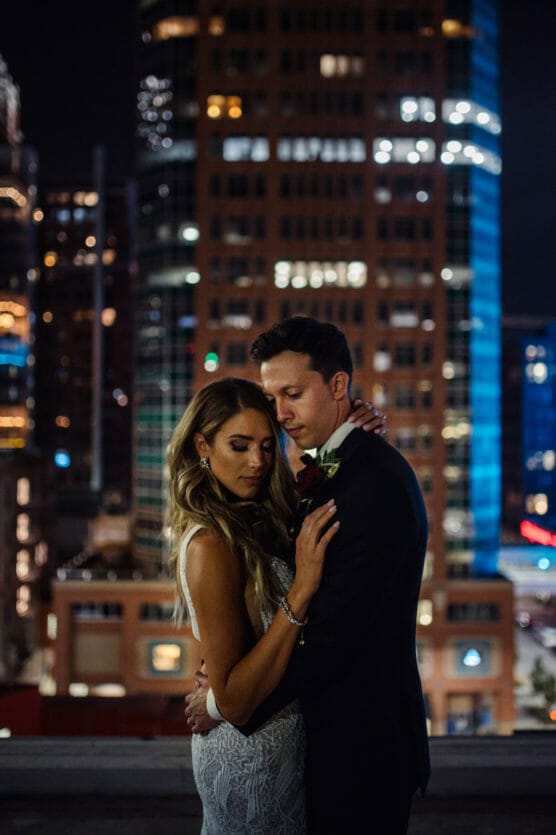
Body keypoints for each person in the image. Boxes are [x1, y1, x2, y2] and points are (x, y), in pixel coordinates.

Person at [186, 317, 430, 835]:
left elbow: (332, 637)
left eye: (292, 394)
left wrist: (225, 701)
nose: (281, 416)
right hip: (316, 747)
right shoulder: (334, 469)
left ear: (338, 386)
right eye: (273, 398)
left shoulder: (370, 486)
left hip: (362, 750)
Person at [167, 376, 383, 833]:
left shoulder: (259, 518)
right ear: (203, 445)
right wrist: (301, 591)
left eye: (267, 446)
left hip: (286, 744)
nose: (257, 462)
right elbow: (235, 700)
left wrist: (351, 435)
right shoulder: (210, 544)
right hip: (251, 757)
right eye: (239, 445)